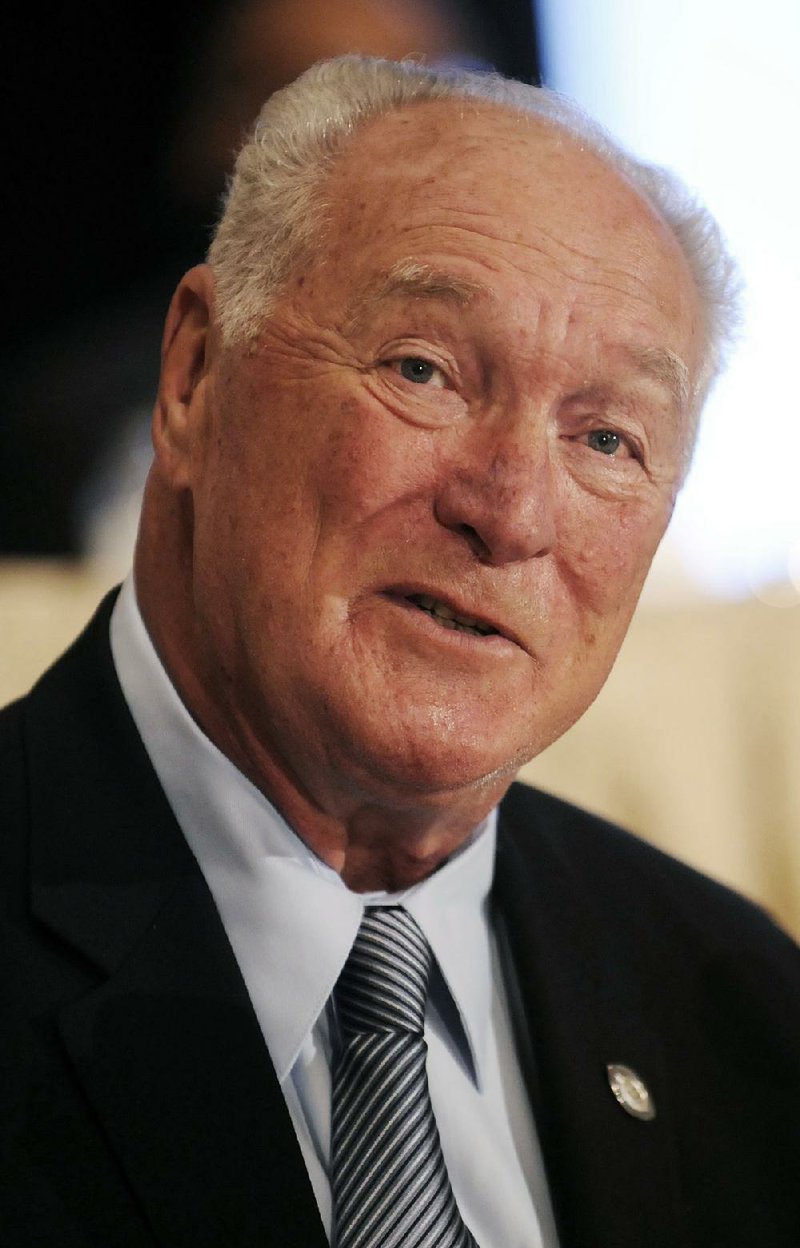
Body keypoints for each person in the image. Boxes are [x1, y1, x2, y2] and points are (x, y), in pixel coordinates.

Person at [1, 56, 798, 1248]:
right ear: (194, 376)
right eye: (422, 370)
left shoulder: (743, 1014)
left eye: (607, 439)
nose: (512, 512)